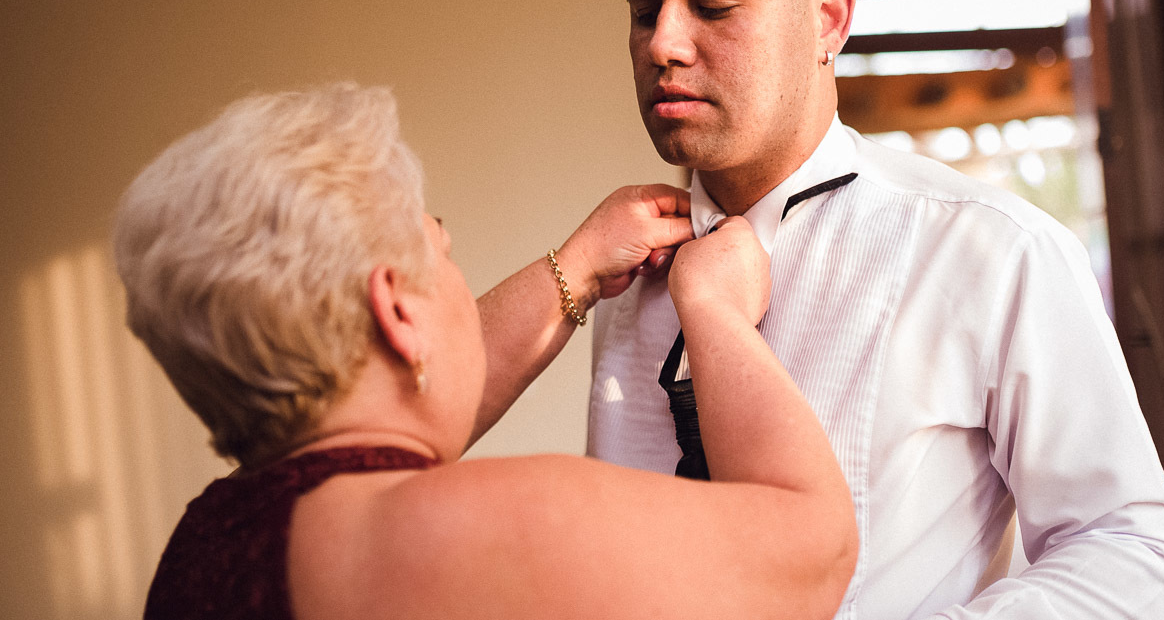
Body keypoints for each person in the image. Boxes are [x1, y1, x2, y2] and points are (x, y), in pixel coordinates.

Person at [579, 0, 1164, 619]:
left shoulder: (990, 251)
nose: (662, 44)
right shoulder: (623, 277)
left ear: (828, 18)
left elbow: (1134, 549)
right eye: (644, 9)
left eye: (711, 3)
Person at [114, 84, 857, 620]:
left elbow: (390, 416)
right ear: (399, 312)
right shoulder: (449, 530)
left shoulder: (203, 542)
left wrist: (579, 267)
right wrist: (716, 310)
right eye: (443, 252)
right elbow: (813, 552)